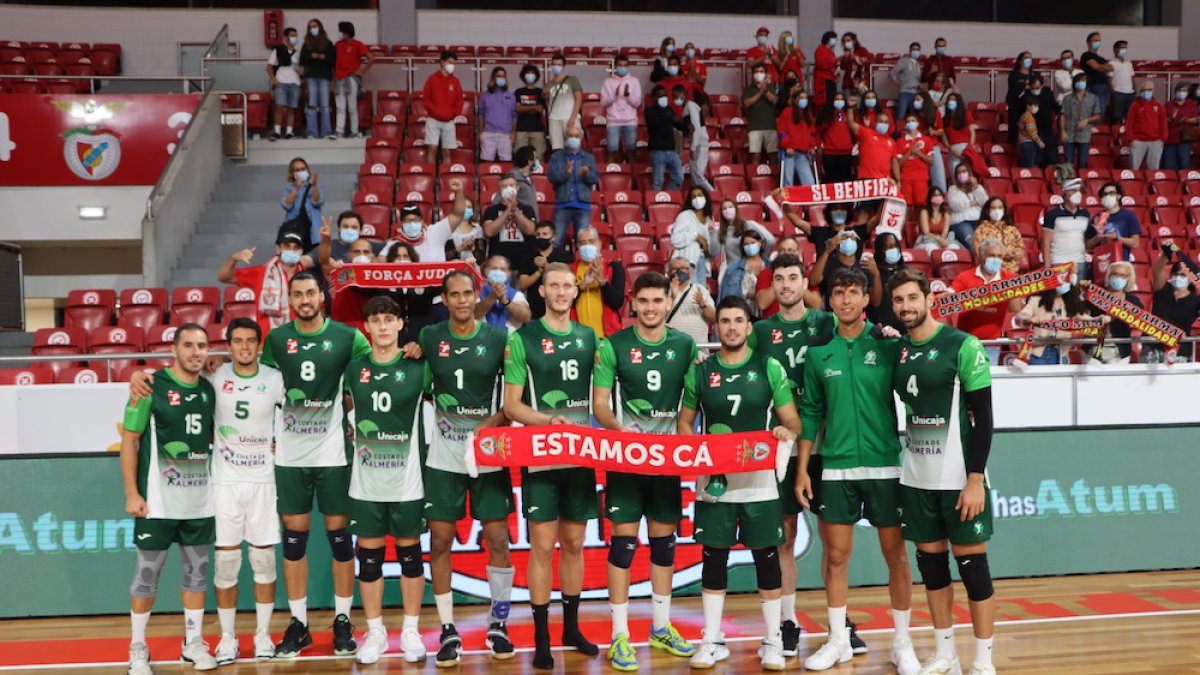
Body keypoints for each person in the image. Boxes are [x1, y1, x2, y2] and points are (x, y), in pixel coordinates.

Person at [799, 267, 920, 674]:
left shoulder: (889, 346)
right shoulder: (818, 352)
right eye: (839, 293)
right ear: (829, 301)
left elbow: (916, 393)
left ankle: (902, 642)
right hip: (835, 467)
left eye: (854, 292)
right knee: (836, 556)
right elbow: (811, 414)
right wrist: (802, 470)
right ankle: (837, 640)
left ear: (867, 298)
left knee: (896, 556)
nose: (847, 300)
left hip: (886, 465)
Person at [676, 294, 800, 671]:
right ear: (717, 326)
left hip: (760, 483)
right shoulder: (700, 370)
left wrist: (783, 431)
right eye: (725, 321)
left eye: (738, 321)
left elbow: (793, 422)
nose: (731, 327)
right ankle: (712, 639)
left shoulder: (769, 366)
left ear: (749, 327)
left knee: (767, 560)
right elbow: (685, 421)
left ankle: (772, 640)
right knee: (714, 559)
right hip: (714, 483)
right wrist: (693, 443)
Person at [888, 268, 998, 675]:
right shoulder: (898, 350)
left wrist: (975, 479)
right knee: (932, 571)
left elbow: (985, 419)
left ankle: (983, 660)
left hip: (958, 480)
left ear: (929, 299)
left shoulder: (962, 345)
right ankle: (945, 653)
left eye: (912, 298)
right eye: (898, 300)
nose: (906, 307)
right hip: (916, 478)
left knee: (973, 571)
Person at [257, 272, 371, 658]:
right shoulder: (275, 340)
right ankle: (299, 622)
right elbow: (265, 389)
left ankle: (342, 620)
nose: (304, 299)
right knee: (295, 536)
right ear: (289, 298)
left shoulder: (348, 338)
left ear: (322, 296)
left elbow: (367, 381)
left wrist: (357, 423)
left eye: (310, 292)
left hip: (334, 452)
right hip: (290, 454)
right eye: (297, 294)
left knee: (339, 536)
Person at [592, 272, 699, 671]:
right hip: (627, 460)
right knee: (623, 545)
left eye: (659, 301)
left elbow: (691, 403)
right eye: (645, 301)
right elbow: (600, 405)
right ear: (632, 303)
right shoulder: (614, 345)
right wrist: (623, 431)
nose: (651, 308)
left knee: (664, 544)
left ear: (668, 302)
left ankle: (660, 626)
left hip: (667, 461)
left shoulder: (685, 345)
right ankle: (620, 634)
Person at [502, 262, 600, 669]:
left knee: (575, 544)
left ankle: (571, 629)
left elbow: (608, 392)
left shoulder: (591, 337)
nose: (561, 292)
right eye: (553, 286)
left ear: (575, 292)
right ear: (541, 291)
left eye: (567, 286)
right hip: (541, 455)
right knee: (542, 547)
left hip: (580, 457)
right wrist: (549, 421)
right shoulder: (523, 338)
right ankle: (542, 637)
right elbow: (511, 405)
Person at [418, 270, 517, 665]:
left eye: (467, 294)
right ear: (444, 299)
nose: (461, 301)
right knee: (440, 540)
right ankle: (447, 629)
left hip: (489, 452)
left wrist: (492, 423)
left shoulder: (498, 338)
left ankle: (499, 623)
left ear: (476, 295)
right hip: (443, 455)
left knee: (498, 541)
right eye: (454, 295)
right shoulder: (430, 337)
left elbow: (513, 395)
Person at [748, 253, 836, 656]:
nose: (785, 285)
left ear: (805, 283)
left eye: (792, 277)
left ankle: (840, 622)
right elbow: (736, 363)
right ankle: (788, 620)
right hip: (782, 444)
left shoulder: (825, 322)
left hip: (826, 441)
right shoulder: (761, 331)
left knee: (836, 539)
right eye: (779, 278)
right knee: (785, 535)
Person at [121, 323, 218, 675]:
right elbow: (129, 442)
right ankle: (137, 647)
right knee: (147, 574)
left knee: (197, 573)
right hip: (157, 503)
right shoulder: (149, 386)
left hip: (199, 502)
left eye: (202, 346)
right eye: (188, 345)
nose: (196, 352)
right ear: (173, 350)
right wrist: (132, 493)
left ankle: (192, 644)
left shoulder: (209, 390)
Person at [342, 296, 429, 664]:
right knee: (371, 559)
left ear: (399, 325)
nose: (381, 326)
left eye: (388, 319)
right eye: (375, 320)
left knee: (410, 555)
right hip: (366, 481)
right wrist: (352, 426)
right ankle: (375, 632)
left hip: (408, 480)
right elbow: (346, 403)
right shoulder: (353, 368)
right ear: (366, 327)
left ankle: (411, 630)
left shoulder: (419, 367)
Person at [194, 319, 284, 663]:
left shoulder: (275, 379)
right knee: (226, 563)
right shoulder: (216, 378)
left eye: (250, 341)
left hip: (263, 480)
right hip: (226, 482)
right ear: (228, 346)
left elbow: (295, 417)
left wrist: (281, 443)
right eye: (238, 341)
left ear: (259, 345)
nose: (244, 347)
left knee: (263, 561)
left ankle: (263, 636)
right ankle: (228, 637)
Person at [218, 231, 313, 338]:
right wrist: (233, 259)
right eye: (287, 246)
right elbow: (224, 276)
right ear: (278, 249)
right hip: (267, 341)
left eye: (296, 248)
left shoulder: (309, 280)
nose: (291, 250)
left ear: (301, 252)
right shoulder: (261, 273)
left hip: (300, 339)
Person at [947, 240, 1026, 363]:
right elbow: (948, 297)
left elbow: (1015, 308)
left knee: (987, 380)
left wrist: (1012, 289)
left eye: (999, 256)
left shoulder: (1010, 278)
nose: (996, 259)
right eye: (991, 255)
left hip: (991, 344)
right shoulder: (965, 276)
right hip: (966, 341)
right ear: (982, 256)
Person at [380, 179, 468, 263]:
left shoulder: (435, 232)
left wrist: (459, 192)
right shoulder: (395, 243)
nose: (412, 223)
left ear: (422, 221)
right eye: (407, 221)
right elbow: (380, 261)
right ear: (401, 223)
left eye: (415, 220)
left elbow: (457, 215)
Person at [1015, 281, 1091, 365]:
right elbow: (1020, 316)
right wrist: (1028, 319)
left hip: (1061, 354)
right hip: (1038, 355)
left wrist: (1100, 319)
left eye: (1066, 280)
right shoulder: (1036, 300)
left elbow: (1086, 318)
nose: (1064, 284)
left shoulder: (1070, 303)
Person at [547, 127, 598, 247]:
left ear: (581, 138)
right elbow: (551, 177)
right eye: (570, 136)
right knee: (556, 241)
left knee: (583, 243)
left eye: (576, 136)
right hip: (562, 204)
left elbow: (594, 179)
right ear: (565, 138)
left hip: (583, 205)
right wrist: (566, 173)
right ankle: (553, 266)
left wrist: (586, 173)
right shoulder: (556, 157)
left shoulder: (589, 157)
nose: (573, 138)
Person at [810, 227, 883, 310]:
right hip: (834, 317)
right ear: (837, 245)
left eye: (852, 238)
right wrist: (827, 251)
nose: (848, 241)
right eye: (844, 238)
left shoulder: (865, 266)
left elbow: (876, 302)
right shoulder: (829, 265)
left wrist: (876, 274)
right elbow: (813, 281)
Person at [571, 227, 625, 337]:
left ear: (599, 244)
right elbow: (565, 302)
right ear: (577, 247)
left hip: (608, 336)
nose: (587, 246)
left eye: (591, 241)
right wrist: (583, 284)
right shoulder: (570, 270)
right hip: (578, 337)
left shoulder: (613, 267)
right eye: (583, 243)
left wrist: (602, 281)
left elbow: (617, 302)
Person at [1148, 250, 1200, 363]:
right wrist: (1165, 254)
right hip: (1153, 348)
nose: (1177, 277)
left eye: (1182, 275)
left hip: (1181, 351)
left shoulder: (1196, 300)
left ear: (1191, 279)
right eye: (1175, 274)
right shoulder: (1162, 289)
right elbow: (1156, 271)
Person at [518, 220, 574, 319]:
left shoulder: (564, 256)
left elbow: (567, 279)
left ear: (553, 237)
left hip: (559, 309)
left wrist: (546, 266)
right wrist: (539, 272)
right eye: (538, 234)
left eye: (545, 234)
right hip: (534, 311)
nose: (541, 237)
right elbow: (522, 284)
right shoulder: (528, 255)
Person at [1091, 261, 1142, 364]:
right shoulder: (1096, 295)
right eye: (1115, 274)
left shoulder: (1133, 301)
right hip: (1095, 348)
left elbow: (1142, 320)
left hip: (1120, 350)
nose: (1119, 278)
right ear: (1109, 276)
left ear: (1128, 278)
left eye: (1123, 275)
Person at [482, 174, 537, 268]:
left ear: (517, 188)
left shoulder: (528, 209)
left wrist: (514, 209)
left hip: (524, 261)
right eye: (504, 186)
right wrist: (507, 210)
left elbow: (530, 230)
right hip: (499, 262)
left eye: (511, 185)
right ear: (499, 190)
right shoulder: (491, 210)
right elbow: (489, 232)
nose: (508, 189)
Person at [332, 21, 373, 139]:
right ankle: (339, 131)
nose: (339, 33)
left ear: (346, 32)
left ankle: (354, 131)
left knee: (352, 106)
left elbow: (371, 58)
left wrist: (362, 71)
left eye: (341, 31)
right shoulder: (338, 45)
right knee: (340, 106)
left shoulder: (357, 44)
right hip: (339, 78)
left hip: (351, 78)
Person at [422, 51, 464, 165]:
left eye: (454, 63)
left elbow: (460, 101)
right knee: (432, 149)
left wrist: (452, 113)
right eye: (450, 62)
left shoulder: (455, 81)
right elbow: (426, 99)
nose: (452, 65)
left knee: (446, 152)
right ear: (442, 62)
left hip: (449, 121)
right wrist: (434, 111)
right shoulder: (432, 79)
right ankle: (430, 176)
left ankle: (445, 179)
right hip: (433, 120)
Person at [1042, 178, 1090, 276]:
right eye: (1074, 190)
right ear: (1064, 193)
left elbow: (1084, 238)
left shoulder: (1085, 214)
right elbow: (1046, 242)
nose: (1078, 194)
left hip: (1079, 261)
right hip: (1059, 262)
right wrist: (1047, 267)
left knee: (1079, 291)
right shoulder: (1053, 214)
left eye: (1079, 190)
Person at [601, 54, 642, 164]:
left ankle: (633, 179)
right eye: (620, 65)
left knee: (631, 151)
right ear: (615, 66)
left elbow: (637, 103)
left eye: (625, 65)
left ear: (628, 66)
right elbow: (603, 103)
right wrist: (614, 95)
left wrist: (628, 95)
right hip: (613, 121)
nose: (622, 67)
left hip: (630, 121)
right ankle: (610, 175)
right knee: (612, 151)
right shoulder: (607, 82)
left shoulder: (634, 81)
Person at [1087, 181, 1142, 262]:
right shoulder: (1096, 218)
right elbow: (1088, 246)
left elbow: (1135, 243)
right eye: (1104, 194)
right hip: (1101, 263)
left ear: (1119, 196)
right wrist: (1098, 236)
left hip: (1121, 262)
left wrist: (1116, 238)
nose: (1108, 196)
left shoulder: (1129, 216)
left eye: (1111, 193)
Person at [671, 187, 718, 282]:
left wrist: (707, 246)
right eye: (693, 196)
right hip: (686, 263)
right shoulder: (685, 215)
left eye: (700, 195)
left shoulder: (709, 220)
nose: (697, 199)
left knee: (700, 294)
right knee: (689, 294)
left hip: (703, 263)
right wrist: (696, 236)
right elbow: (675, 239)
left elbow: (711, 250)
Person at [716, 198, 775, 273]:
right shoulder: (721, 231)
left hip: (751, 269)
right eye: (724, 208)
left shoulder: (749, 224)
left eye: (730, 207)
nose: (728, 210)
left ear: (736, 209)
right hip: (733, 272)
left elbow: (770, 240)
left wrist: (762, 257)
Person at [666, 256, 715, 343]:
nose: (678, 271)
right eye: (674, 268)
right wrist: (672, 297)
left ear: (690, 272)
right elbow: (659, 317)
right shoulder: (663, 291)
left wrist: (703, 304)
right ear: (668, 272)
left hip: (698, 348)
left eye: (682, 268)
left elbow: (714, 318)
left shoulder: (700, 289)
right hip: (671, 348)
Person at [299, 19, 335, 139]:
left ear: (320, 27)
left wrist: (323, 57)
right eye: (311, 27)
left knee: (325, 105)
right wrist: (311, 56)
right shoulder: (306, 44)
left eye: (315, 26)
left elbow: (333, 60)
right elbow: (302, 60)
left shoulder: (328, 43)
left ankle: (326, 132)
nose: (313, 28)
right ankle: (312, 132)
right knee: (312, 105)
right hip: (311, 77)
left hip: (324, 76)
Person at [676, 82, 715, 192]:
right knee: (694, 176)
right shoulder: (684, 109)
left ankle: (714, 194)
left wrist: (692, 148)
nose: (677, 99)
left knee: (698, 173)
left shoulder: (691, 105)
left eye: (679, 95)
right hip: (693, 141)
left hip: (700, 142)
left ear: (684, 95)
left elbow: (696, 128)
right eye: (674, 96)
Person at [476, 255, 531, 332]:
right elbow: (473, 315)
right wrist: (492, 297)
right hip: (482, 340)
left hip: (510, 341)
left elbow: (526, 317)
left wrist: (505, 300)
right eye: (494, 268)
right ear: (486, 271)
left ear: (508, 273)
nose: (498, 272)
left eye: (503, 269)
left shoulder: (517, 295)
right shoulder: (477, 293)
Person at [718, 229, 767, 313]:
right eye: (746, 244)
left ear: (760, 243)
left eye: (752, 243)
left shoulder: (771, 266)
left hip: (766, 315)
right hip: (741, 314)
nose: (750, 246)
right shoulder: (733, 269)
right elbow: (723, 297)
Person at [870, 231, 910, 333]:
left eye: (895, 246)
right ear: (880, 250)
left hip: (905, 329)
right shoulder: (872, 273)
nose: (893, 249)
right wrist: (876, 275)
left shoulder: (908, 273)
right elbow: (875, 302)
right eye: (888, 247)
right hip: (880, 329)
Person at [279, 157, 323, 250]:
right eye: (297, 170)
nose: (301, 171)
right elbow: (286, 205)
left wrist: (314, 186)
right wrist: (296, 188)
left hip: (312, 231)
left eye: (303, 169)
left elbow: (317, 202)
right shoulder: (288, 188)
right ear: (292, 173)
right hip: (294, 230)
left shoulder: (316, 187)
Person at [316, 211, 381, 273]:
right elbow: (324, 261)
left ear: (372, 255)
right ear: (349, 255)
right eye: (357, 252)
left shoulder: (371, 246)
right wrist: (325, 239)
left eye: (366, 252)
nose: (361, 255)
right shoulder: (340, 267)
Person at [973, 197, 1025, 273]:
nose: (997, 210)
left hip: (1012, 273)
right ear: (988, 211)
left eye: (1000, 207)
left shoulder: (1012, 229)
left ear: (1004, 210)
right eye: (993, 208)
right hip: (991, 272)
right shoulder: (981, 230)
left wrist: (1014, 254)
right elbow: (978, 252)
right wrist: (1003, 254)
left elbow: (1021, 248)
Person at [646, 84, 683, 190]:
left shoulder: (669, 110)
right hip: (657, 151)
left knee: (679, 178)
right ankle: (656, 202)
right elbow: (654, 123)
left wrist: (683, 122)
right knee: (658, 181)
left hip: (671, 150)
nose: (664, 98)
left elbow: (677, 124)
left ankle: (667, 198)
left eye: (665, 96)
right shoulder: (649, 111)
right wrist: (671, 118)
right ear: (654, 98)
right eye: (660, 96)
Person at [1060, 73, 1101, 169]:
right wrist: (1062, 131)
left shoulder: (1093, 98)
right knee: (1068, 162)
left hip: (1084, 135)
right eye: (1078, 81)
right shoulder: (1067, 98)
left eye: (1083, 81)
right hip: (1069, 134)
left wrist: (1087, 120)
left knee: (1082, 162)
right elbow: (1063, 115)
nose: (1080, 83)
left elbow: (1097, 115)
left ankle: (1081, 181)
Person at [267, 27, 301, 141]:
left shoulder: (298, 53)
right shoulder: (278, 50)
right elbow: (269, 67)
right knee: (279, 107)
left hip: (295, 82)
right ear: (286, 37)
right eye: (292, 35)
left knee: (291, 108)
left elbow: (302, 69)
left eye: (295, 35)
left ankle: (289, 131)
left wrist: (301, 72)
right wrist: (274, 79)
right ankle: (277, 131)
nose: (294, 37)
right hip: (281, 81)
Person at [778, 89, 817, 187]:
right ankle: (788, 201)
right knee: (788, 182)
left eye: (806, 98)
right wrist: (787, 146)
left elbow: (812, 133)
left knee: (809, 182)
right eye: (802, 98)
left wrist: (812, 146)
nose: (804, 100)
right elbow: (782, 131)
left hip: (802, 154)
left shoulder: (808, 114)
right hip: (788, 154)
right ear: (795, 99)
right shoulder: (787, 112)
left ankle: (809, 201)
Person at [478, 66, 517, 162]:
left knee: (506, 164)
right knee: (486, 163)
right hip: (488, 133)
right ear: (493, 78)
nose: (501, 78)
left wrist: (513, 133)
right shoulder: (485, 95)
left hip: (506, 135)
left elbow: (514, 116)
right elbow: (481, 114)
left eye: (503, 76)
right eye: (498, 76)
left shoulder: (511, 96)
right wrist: (481, 132)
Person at [895, 113, 935, 207]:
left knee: (921, 205)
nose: (911, 123)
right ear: (905, 124)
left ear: (917, 123)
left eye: (913, 121)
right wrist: (909, 152)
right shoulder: (900, 141)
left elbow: (931, 162)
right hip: (905, 178)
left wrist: (919, 153)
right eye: (908, 121)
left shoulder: (926, 140)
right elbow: (898, 163)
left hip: (921, 177)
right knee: (905, 205)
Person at [545, 53, 583, 151]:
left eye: (559, 64)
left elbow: (579, 98)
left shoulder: (572, 79)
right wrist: (544, 92)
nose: (556, 67)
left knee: (574, 146)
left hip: (570, 118)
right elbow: (546, 98)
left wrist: (573, 118)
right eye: (554, 64)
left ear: (563, 66)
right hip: (554, 119)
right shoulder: (549, 84)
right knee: (557, 148)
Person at [1125, 82, 1167, 171]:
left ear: (1153, 91)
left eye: (1149, 90)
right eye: (1144, 90)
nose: (1146, 92)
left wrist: (1163, 138)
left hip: (1156, 140)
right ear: (1140, 91)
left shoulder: (1159, 106)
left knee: (1154, 168)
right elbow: (1129, 123)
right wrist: (1131, 139)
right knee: (1134, 168)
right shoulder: (1135, 106)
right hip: (1138, 140)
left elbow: (1163, 123)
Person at [846, 106, 896, 181]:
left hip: (884, 180)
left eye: (886, 122)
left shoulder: (891, 141)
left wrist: (897, 180)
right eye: (881, 121)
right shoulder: (866, 133)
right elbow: (850, 123)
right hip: (866, 179)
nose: (883, 124)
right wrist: (850, 107)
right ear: (875, 122)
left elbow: (894, 162)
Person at [743, 63, 778, 166]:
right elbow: (747, 103)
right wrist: (760, 92)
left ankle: (775, 179)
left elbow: (774, 100)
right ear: (753, 74)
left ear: (765, 74)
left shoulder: (771, 87)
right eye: (757, 72)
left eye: (761, 71)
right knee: (755, 155)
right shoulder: (749, 89)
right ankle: (754, 178)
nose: (759, 74)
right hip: (754, 127)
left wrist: (765, 90)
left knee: (773, 155)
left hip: (770, 126)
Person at [946, 163, 988, 249]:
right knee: (973, 244)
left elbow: (986, 203)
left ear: (969, 173)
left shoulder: (978, 187)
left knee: (988, 243)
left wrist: (975, 187)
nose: (961, 174)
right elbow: (955, 206)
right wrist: (972, 203)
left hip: (978, 220)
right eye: (959, 172)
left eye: (964, 171)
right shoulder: (953, 189)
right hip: (961, 222)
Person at [818, 92, 854, 183]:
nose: (839, 101)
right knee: (830, 181)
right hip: (830, 153)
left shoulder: (849, 113)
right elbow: (818, 131)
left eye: (841, 99)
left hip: (846, 152)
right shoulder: (826, 114)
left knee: (845, 182)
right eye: (837, 99)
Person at [515, 64, 548, 160]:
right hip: (521, 129)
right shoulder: (518, 91)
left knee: (538, 157)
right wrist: (533, 107)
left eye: (532, 73)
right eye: (528, 73)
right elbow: (518, 109)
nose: (530, 75)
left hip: (537, 129)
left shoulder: (540, 92)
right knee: (521, 157)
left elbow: (541, 108)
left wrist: (525, 108)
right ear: (523, 76)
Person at [1164, 82, 1199, 171]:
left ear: (1187, 93)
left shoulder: (1192, 105)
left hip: (1185, 140)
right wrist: (1171, 118)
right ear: (1176, 92)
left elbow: (1195, 119)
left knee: (1184, 163)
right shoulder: (1168, 105)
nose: (1182, 92)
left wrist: (1186, 120)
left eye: (1184, 91)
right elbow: (1162, 120)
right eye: (1180, 90)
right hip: (1170, 139)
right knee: (1169, 165)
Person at [1027, 74, 1059, 166]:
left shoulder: (1047, 93)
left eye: (1037, 87)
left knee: (1052, 157)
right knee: (1038, 158)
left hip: (1048, 130)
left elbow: (1056, 108)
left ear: (1042, 85)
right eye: (1033, 88)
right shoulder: (1027, 95)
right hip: (1034, 131)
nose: (1035, 90)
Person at [942, 93, 976, 176]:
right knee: (955, 175)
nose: (951, 102)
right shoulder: (945, 119)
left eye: (953, 100)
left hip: (966, 147)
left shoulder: (966, 114)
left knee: (968, 175)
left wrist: (970, 148)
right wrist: (951, 148)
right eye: (949, 100)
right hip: (953, 149)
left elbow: (972, 132)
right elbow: (944, 138)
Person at [1082, 31, 1114, 120]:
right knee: (1096, 112)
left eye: (1099, 41)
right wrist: (1102, 66)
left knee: (1102, 111)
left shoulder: (1101, 58)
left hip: (1104, 87)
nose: (1097, 43)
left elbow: (1110, 67)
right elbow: (1096, 67)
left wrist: (1101, 66)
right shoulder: (1086, 55)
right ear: (1089, 42)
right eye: (1095, 40)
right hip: (1093, 86)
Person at [447, 195, 485, 265]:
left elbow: (481, 259)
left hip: (475, 270)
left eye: (469, 207)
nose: (466, 209)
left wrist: (472, 247)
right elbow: (445, 257)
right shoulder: (448, 229)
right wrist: (461, 248)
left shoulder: (478, 230)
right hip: (454, 270)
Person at [1005, 52, 1033, 145]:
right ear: (1020, 61)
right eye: (1026, 57)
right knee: (1014, 133)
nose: (1029, 59)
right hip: (1015, 109)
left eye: (1030, 57)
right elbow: (1014, 91)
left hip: (1030, 109)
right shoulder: (1014, 75)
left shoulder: (1034, 74)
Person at [891, 42, 922, 122]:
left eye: (917, 50)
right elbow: (892, 73)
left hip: (915, 93)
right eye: (914, 49)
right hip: (905, 92)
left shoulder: (918, 65)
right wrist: (897, 82)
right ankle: (898, 132)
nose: (916, 51)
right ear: (910, 51)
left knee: (912, 116)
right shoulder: (903, 61)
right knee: (901, 114)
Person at [1109, 40, 1135, 125]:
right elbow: (1109, 80)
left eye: (1125, 48)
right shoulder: (1111, 63)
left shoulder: (1129, 63)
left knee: (1129, 117)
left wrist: (1134, 90)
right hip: (1118, 93)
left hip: (1130, 93)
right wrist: (1113, 93)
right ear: (1115, 49)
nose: (1124, 50)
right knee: (1117, 118)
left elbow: (1132, 77)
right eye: (1122, 48)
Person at [1016, 94, 1045, 168]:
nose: (1037, 108)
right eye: (1035, 106)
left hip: (1022, 142)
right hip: (1029, 143)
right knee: (1030, 165)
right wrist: (1040, 142)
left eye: (1037, 106)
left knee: (1024, 165)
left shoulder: (1023, 116)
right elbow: (1032, 133)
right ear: (1028, 106)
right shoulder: (1029, 118)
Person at [511, 145, 539, 213]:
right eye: (536, 159)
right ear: (530, 162)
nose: (537, 161)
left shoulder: (528, 178)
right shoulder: (512, 178)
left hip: (531, 220)